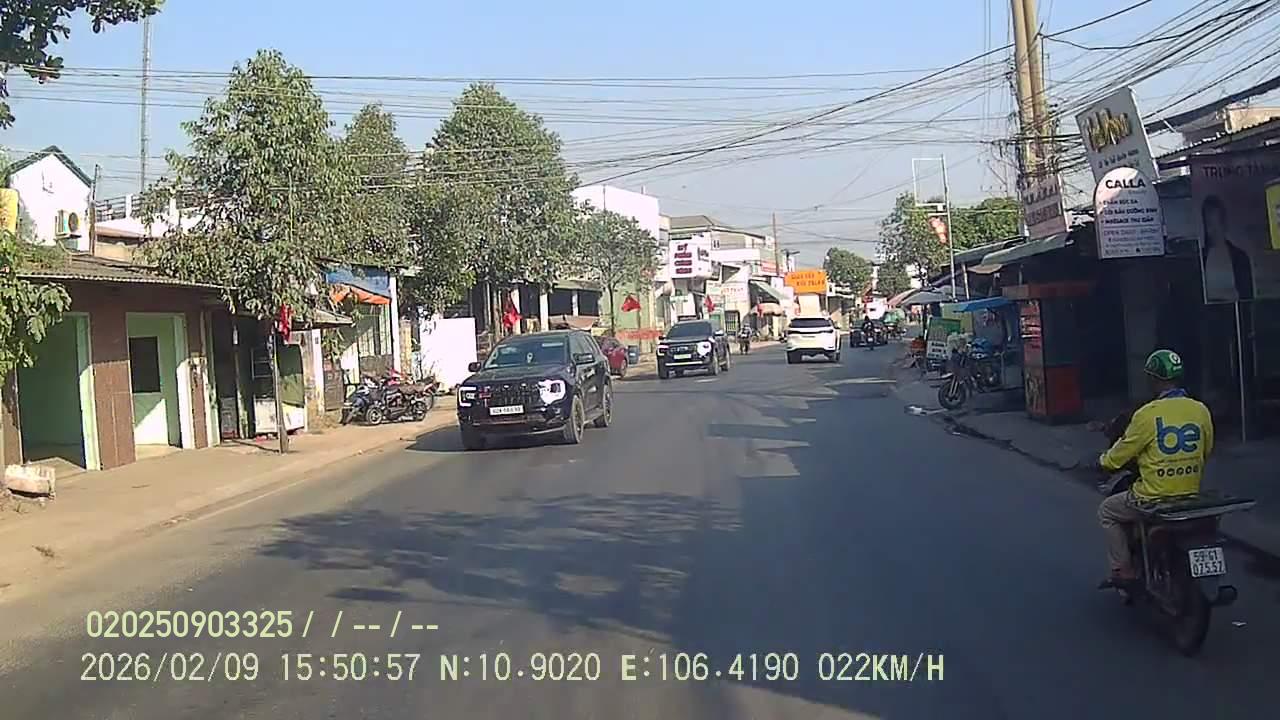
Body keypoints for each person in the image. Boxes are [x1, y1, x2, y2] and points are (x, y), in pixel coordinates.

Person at [1096, 349, 1215, 587]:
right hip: (1190, 493)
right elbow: (1206, 449)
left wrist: (1102, 461)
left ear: (1153, 379)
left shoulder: (1147, 415)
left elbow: (1117, 457)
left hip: (1152, 497)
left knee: (1106, 511)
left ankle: (1124, 571)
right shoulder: (1200, 410)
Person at [1200, 195, 1254, 301]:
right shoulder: (1200, 259)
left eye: (1217, 223)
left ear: (1224, 224)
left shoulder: (1240, 258)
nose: (1213, 230)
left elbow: (1247, 296)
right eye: (1209, 224)